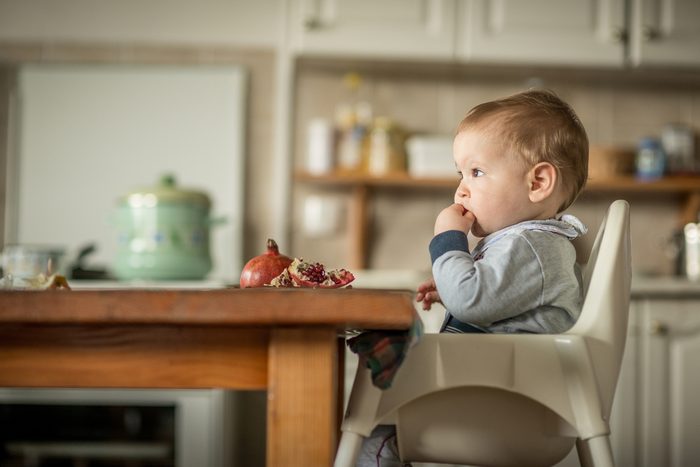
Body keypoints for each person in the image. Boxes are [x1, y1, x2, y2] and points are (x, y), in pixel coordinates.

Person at [355, 89, 590, 466]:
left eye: (477, 172)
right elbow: (488, 302)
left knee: (371, 427)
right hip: (508, 397)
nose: (461, 189)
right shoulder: (531, 244)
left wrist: (447, 241)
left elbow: (472, 301)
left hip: (509, 408)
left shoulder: (528, 244)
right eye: (460, 173)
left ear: (538, 183)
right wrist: (455, 289)